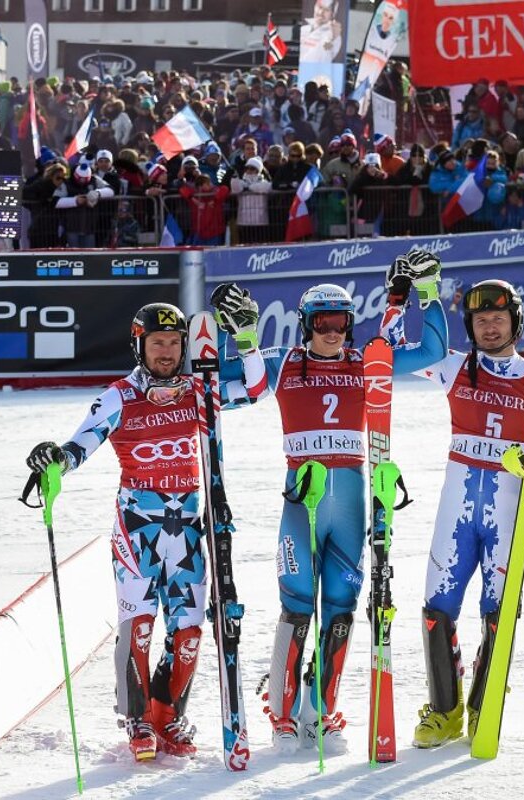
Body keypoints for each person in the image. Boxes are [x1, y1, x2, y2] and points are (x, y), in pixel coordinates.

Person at [212, 253, 449, 756]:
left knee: (340, 608)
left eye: (341, 321)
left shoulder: (369, 363)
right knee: (297, 604)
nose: (332, 331)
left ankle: (320, 710)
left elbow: (432, 349)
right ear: (306, 324)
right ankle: (282, 712)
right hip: (300, 499)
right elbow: (221, 374)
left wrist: (426, 293)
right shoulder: (281, 361)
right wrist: (237, 332)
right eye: (321, 321)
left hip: (351, 496)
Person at [24, 303, 264, 762]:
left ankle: (166, 714)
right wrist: (54, 459)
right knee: (139, 625)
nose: (168, 353)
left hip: (190, 527)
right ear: (139, 345)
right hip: (137, 530)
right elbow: (80, 446)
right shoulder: (119, 395)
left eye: (175, 344)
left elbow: (254, 390)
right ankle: (137, 720)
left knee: (190, 628)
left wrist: (247, 340)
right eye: (158, 344)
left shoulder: (197, 390)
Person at [403, 279, 524, 748]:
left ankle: (485, 702)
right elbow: (398, 350)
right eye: (480, 320)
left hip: (508, 513)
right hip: (456, 513)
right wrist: (414, 296)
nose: (489, 326)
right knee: (436, 608)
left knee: (498, 611)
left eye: (498, 318)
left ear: (516, 322)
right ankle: (445, 711)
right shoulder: (454, 368)